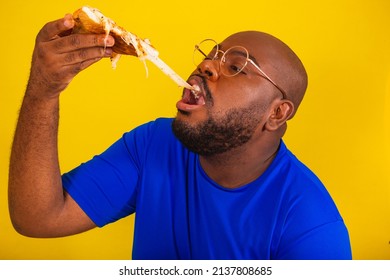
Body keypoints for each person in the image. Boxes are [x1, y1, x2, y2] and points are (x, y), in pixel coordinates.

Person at [8, 14, 352, 260]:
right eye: (211, 54)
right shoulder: (154, 145)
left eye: (236, 66)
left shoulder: (311, 229)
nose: (207, 65)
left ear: (276, 113)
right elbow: (38, 217)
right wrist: (44, 89)